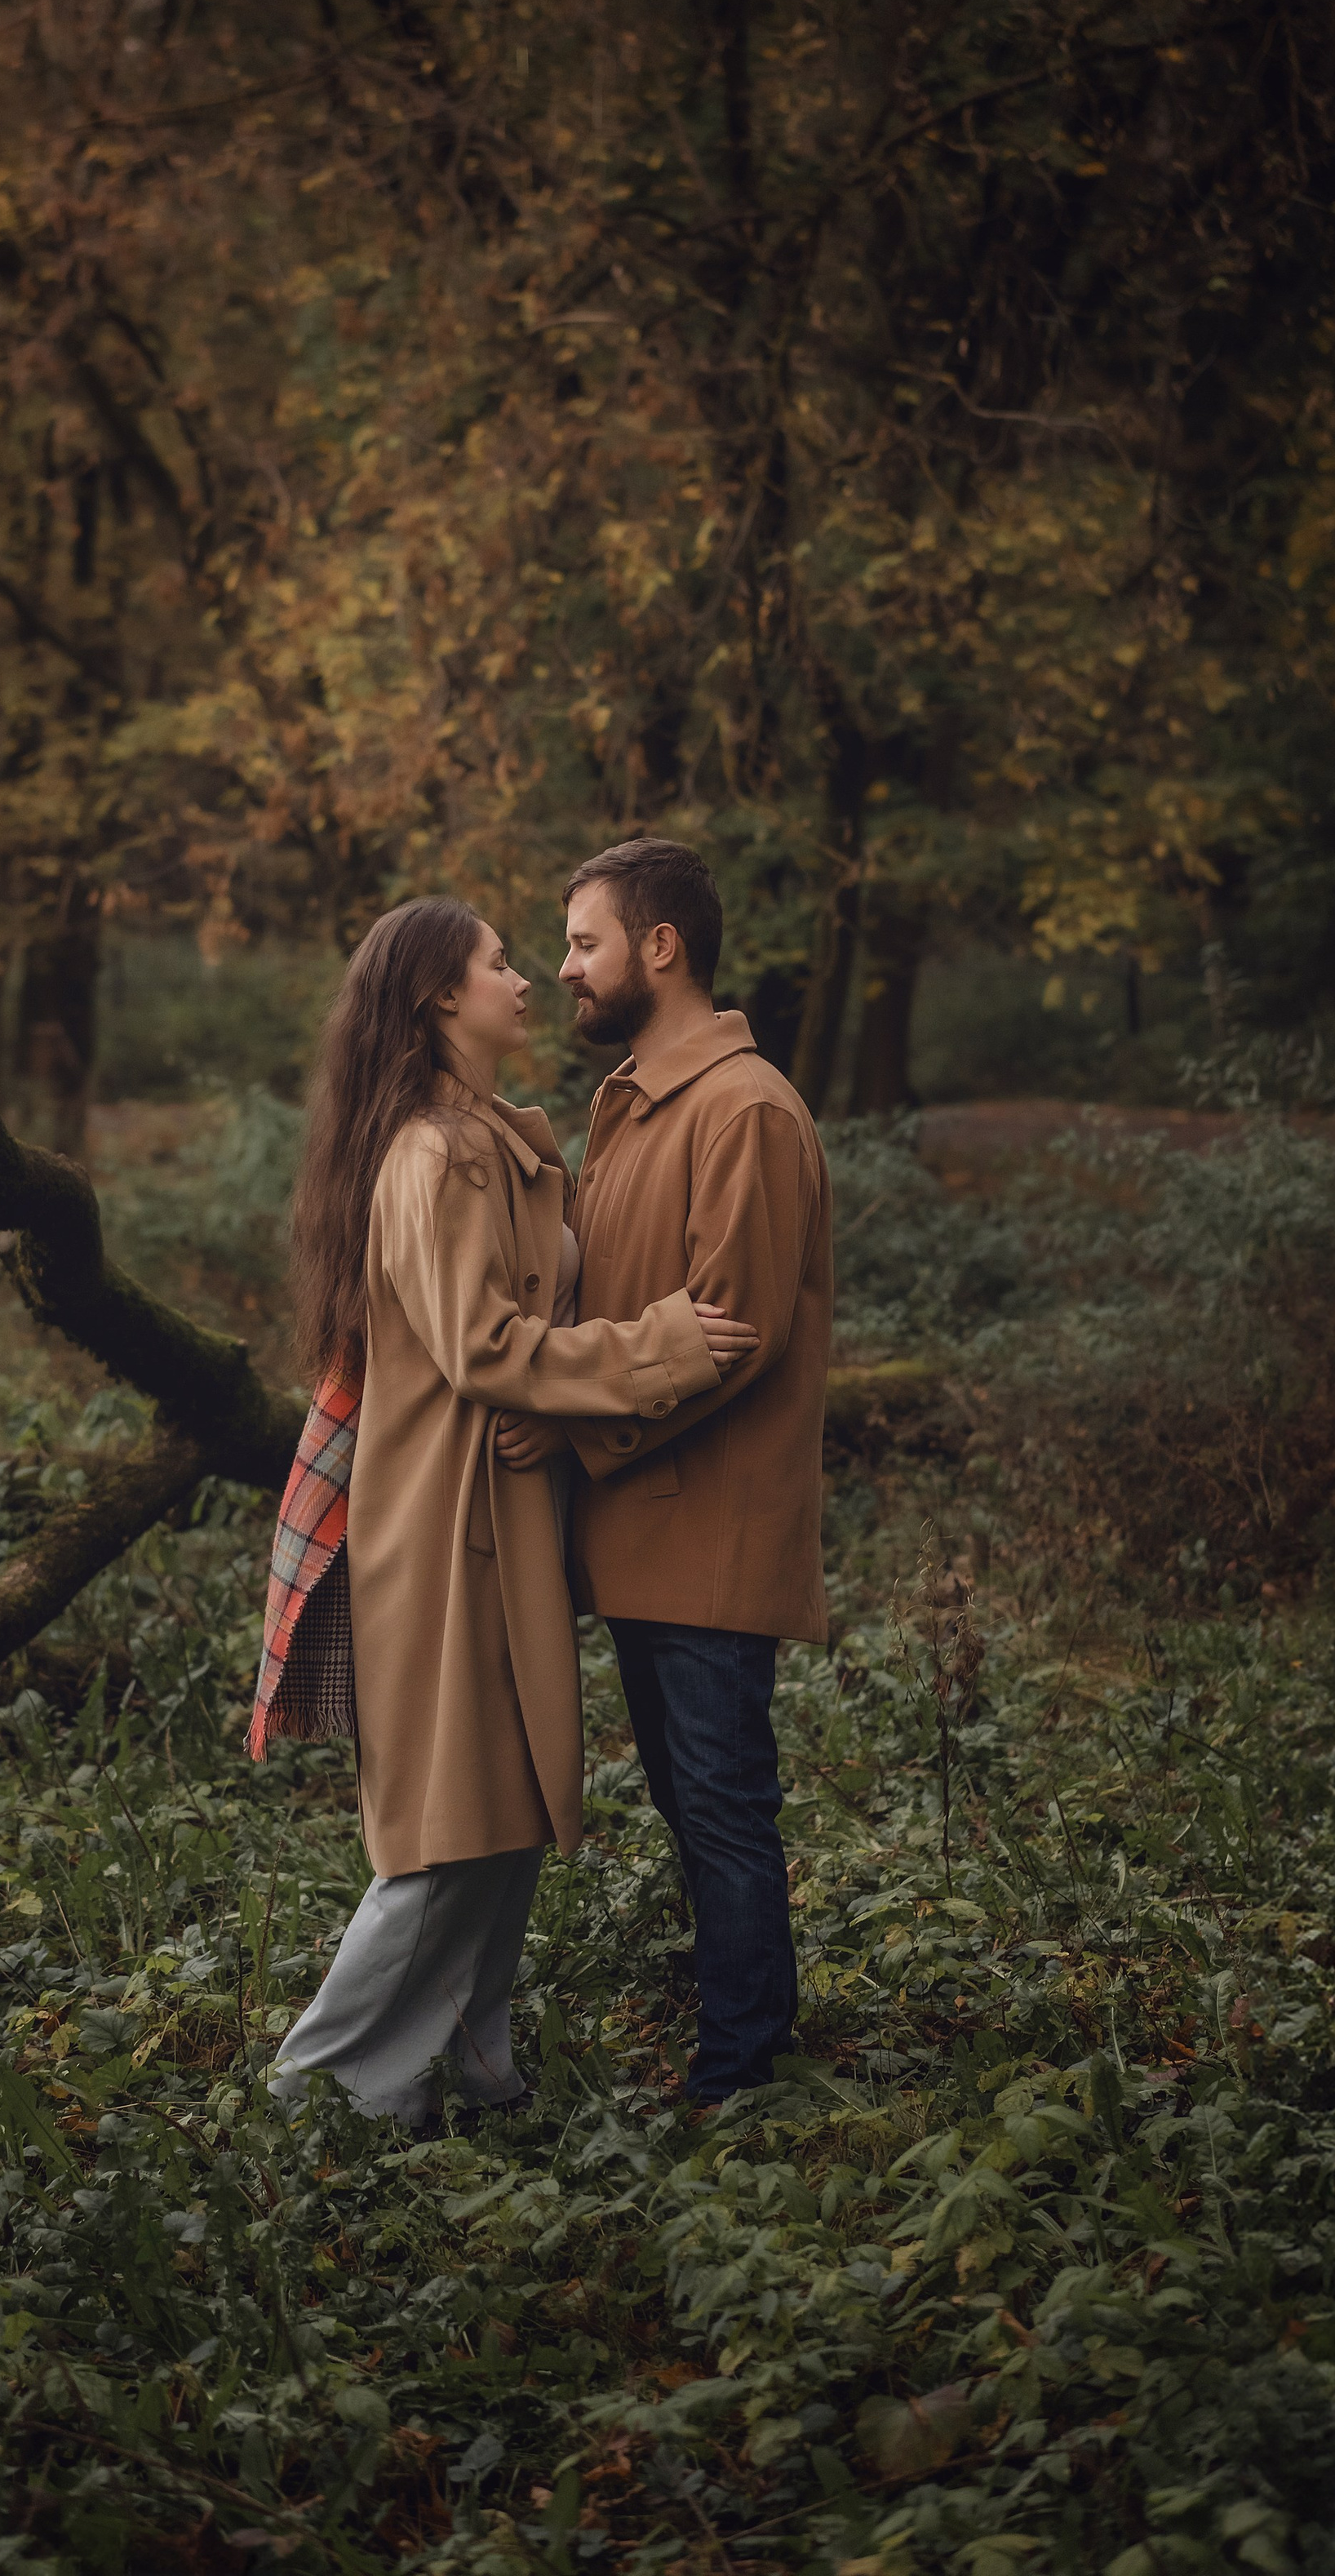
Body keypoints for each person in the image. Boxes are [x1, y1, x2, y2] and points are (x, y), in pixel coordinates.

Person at [251, 895, 756, 2128]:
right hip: (446, 1528)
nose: (527, 980)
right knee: (448, 1827)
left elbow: (516, 1335)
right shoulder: (434, 1152)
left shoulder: (488, 1135)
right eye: (498, 964)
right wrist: (662, 1350)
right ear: (438, 996)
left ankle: (471, 2078)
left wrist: (562, 1399)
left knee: (509, 1810)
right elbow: (482, 1346)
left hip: (507, 1507)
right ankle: (313, 2096)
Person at [496, 838, 833, 2111]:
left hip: (711, 1531)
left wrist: (575, 1430)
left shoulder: (742, 1109)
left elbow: (731, 1335)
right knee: (697, 1818)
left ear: (660, 947)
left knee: (727, 1813)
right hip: (643, 1528)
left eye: (582, 942)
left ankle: (742, 2075)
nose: (563, 968)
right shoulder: (633, 1100)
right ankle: (740, 2034)